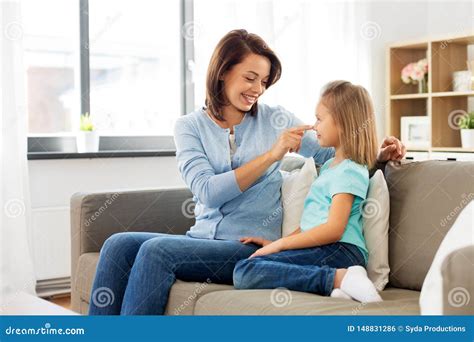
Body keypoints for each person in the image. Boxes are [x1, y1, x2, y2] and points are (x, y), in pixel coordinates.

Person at [89, 29, 405, 315]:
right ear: (224, 72)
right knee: (118, 244)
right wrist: (271, 155)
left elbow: (335, 151)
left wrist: (379, 154)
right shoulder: (189, 127)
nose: (258, 89)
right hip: (201, 239)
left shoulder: (275, 119)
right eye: (250, 78)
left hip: (246, 245)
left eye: (264, 82)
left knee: (156, 251)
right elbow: (207, 191)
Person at [234, 80, 383, 303]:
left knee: (246, 271)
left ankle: (341, 278)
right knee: (247, 267)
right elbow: (309, 227)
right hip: (326, 249)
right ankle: (337, 289)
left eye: (319, 119)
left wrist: (282, 245)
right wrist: (274, 244)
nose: (314, 126)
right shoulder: (331, 167)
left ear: (342, 122)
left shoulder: (350, 170)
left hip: (341, 250)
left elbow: (333, 229)